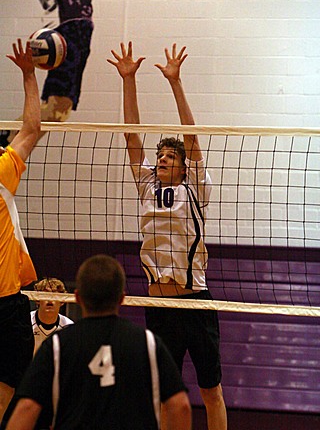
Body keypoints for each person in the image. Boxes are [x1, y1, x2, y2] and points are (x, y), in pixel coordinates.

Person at [108, 42, 228, 430]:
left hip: (194, 301)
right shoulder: (146, 185)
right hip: (158, 304)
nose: (161, 160)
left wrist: (175, 83)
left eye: (169, 157)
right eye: (159, 155)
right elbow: (131, 137)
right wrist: (129, 80)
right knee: (167, 395)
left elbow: (191, 138)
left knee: (211, 392)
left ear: (182, 165)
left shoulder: (195, 186)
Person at [0, 0, 169, 146]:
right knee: (57, 107)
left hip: (80, 31)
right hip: (63, 30)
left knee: (59, 109)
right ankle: (7, 143)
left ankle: (8, 141)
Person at [6, 254, 192, 430]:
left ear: (77, 298)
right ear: (121, 299)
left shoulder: (58, 345)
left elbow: (27, 407)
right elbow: (181, 406)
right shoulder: (148, 342)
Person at [0, 39, 41, 424]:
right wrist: (29, 74)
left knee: (12, 388)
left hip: (9, 299)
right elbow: (32, 128)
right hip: (6, 302)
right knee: (12, 387)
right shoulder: (1, 173)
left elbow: (30, 129)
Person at [31, 278, 74, 355]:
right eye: (45, 295)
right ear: (37, 299)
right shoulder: (25, 322)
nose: (50, 300)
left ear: (62, 301)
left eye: (54, 296)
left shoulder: (69, 326)